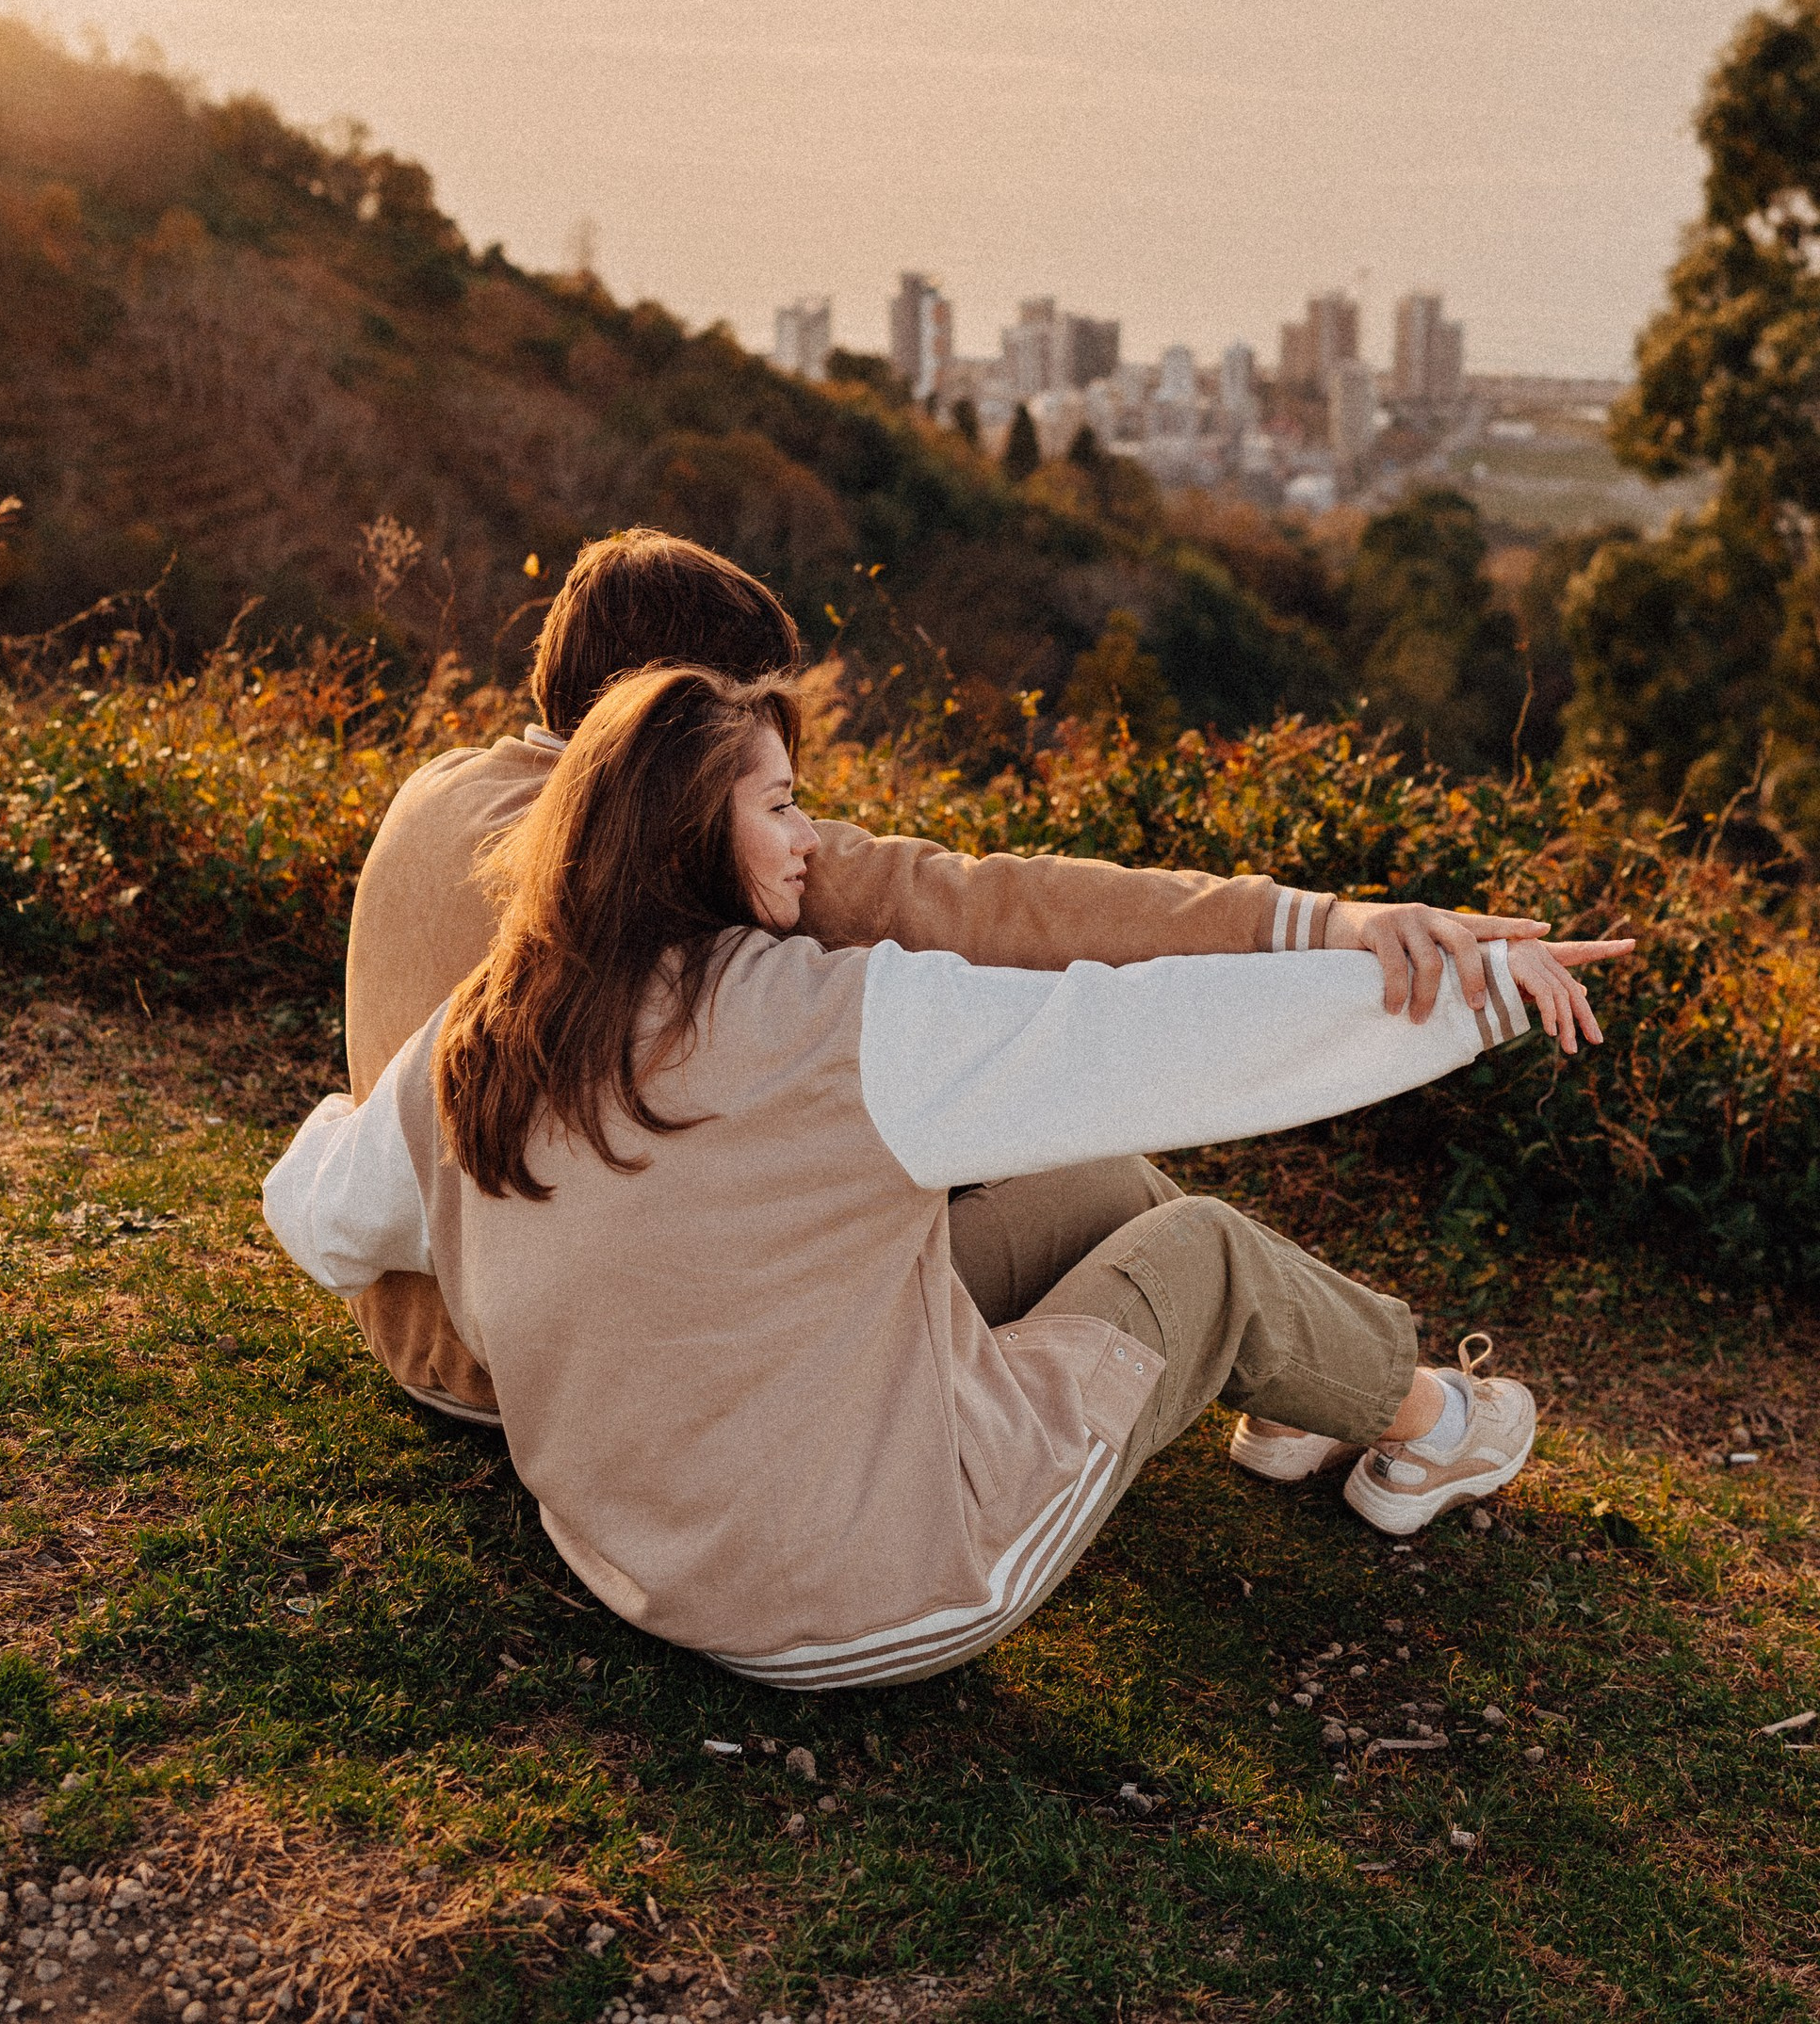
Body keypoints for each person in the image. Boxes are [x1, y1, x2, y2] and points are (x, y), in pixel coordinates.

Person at [268, 664, 1629, 1690]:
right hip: (869, 1590)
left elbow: (321, 1216)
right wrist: (1468, 990)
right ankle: (1440, 1424)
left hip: (622, 1547)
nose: (811, 842)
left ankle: (1302, 1391)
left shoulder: (490, 1021)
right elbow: (1156, 1034)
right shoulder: (838, 1021)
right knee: (1202, 1247)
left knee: (1087, 1183)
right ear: (689, 828)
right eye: (783, 807)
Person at [340, 528, 1568, 1425]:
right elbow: (997, 903)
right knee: (1102, 1182)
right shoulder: (674, 845)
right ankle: (1390, 1399)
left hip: (424, 1338)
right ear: (675, 722)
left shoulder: (431, 796)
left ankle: (1328, 1385)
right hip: (597, 1375)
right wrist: (1323, 923)